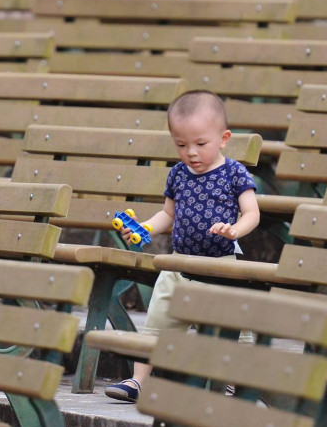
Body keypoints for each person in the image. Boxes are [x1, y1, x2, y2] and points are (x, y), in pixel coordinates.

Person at [104, 89, 261, 402]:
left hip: (221, 268)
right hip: (178, 266)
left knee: (234, 331)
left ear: (224, 138)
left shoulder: (234, 172)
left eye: (200, 144)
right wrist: (145, 227)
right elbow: (167, 214)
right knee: (157, 326)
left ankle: (237, 384)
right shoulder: (178, 174)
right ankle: (138, 381)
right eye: (181, 145)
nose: (191, 152)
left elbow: (252, 212)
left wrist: (234, 230)